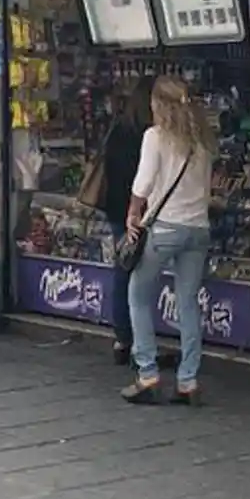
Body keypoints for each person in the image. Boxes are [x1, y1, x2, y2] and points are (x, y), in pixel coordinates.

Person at [121, 75, 216, 405]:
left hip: (165, 229)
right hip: (198, 230)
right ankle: (188, 380)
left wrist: (133, 214)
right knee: (188, 303)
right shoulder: (202, 142)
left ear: (159, 105)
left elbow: (143, 182)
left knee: (138, 296)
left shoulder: (155, 137)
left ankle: (147, 373)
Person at [101, 77, 153, 366]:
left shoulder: (118, 130)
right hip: (137, 212)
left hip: (118, 210)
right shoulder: (148, 135)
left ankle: (123, 338)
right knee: (137, 277)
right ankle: (137, 344)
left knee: (123, 271)